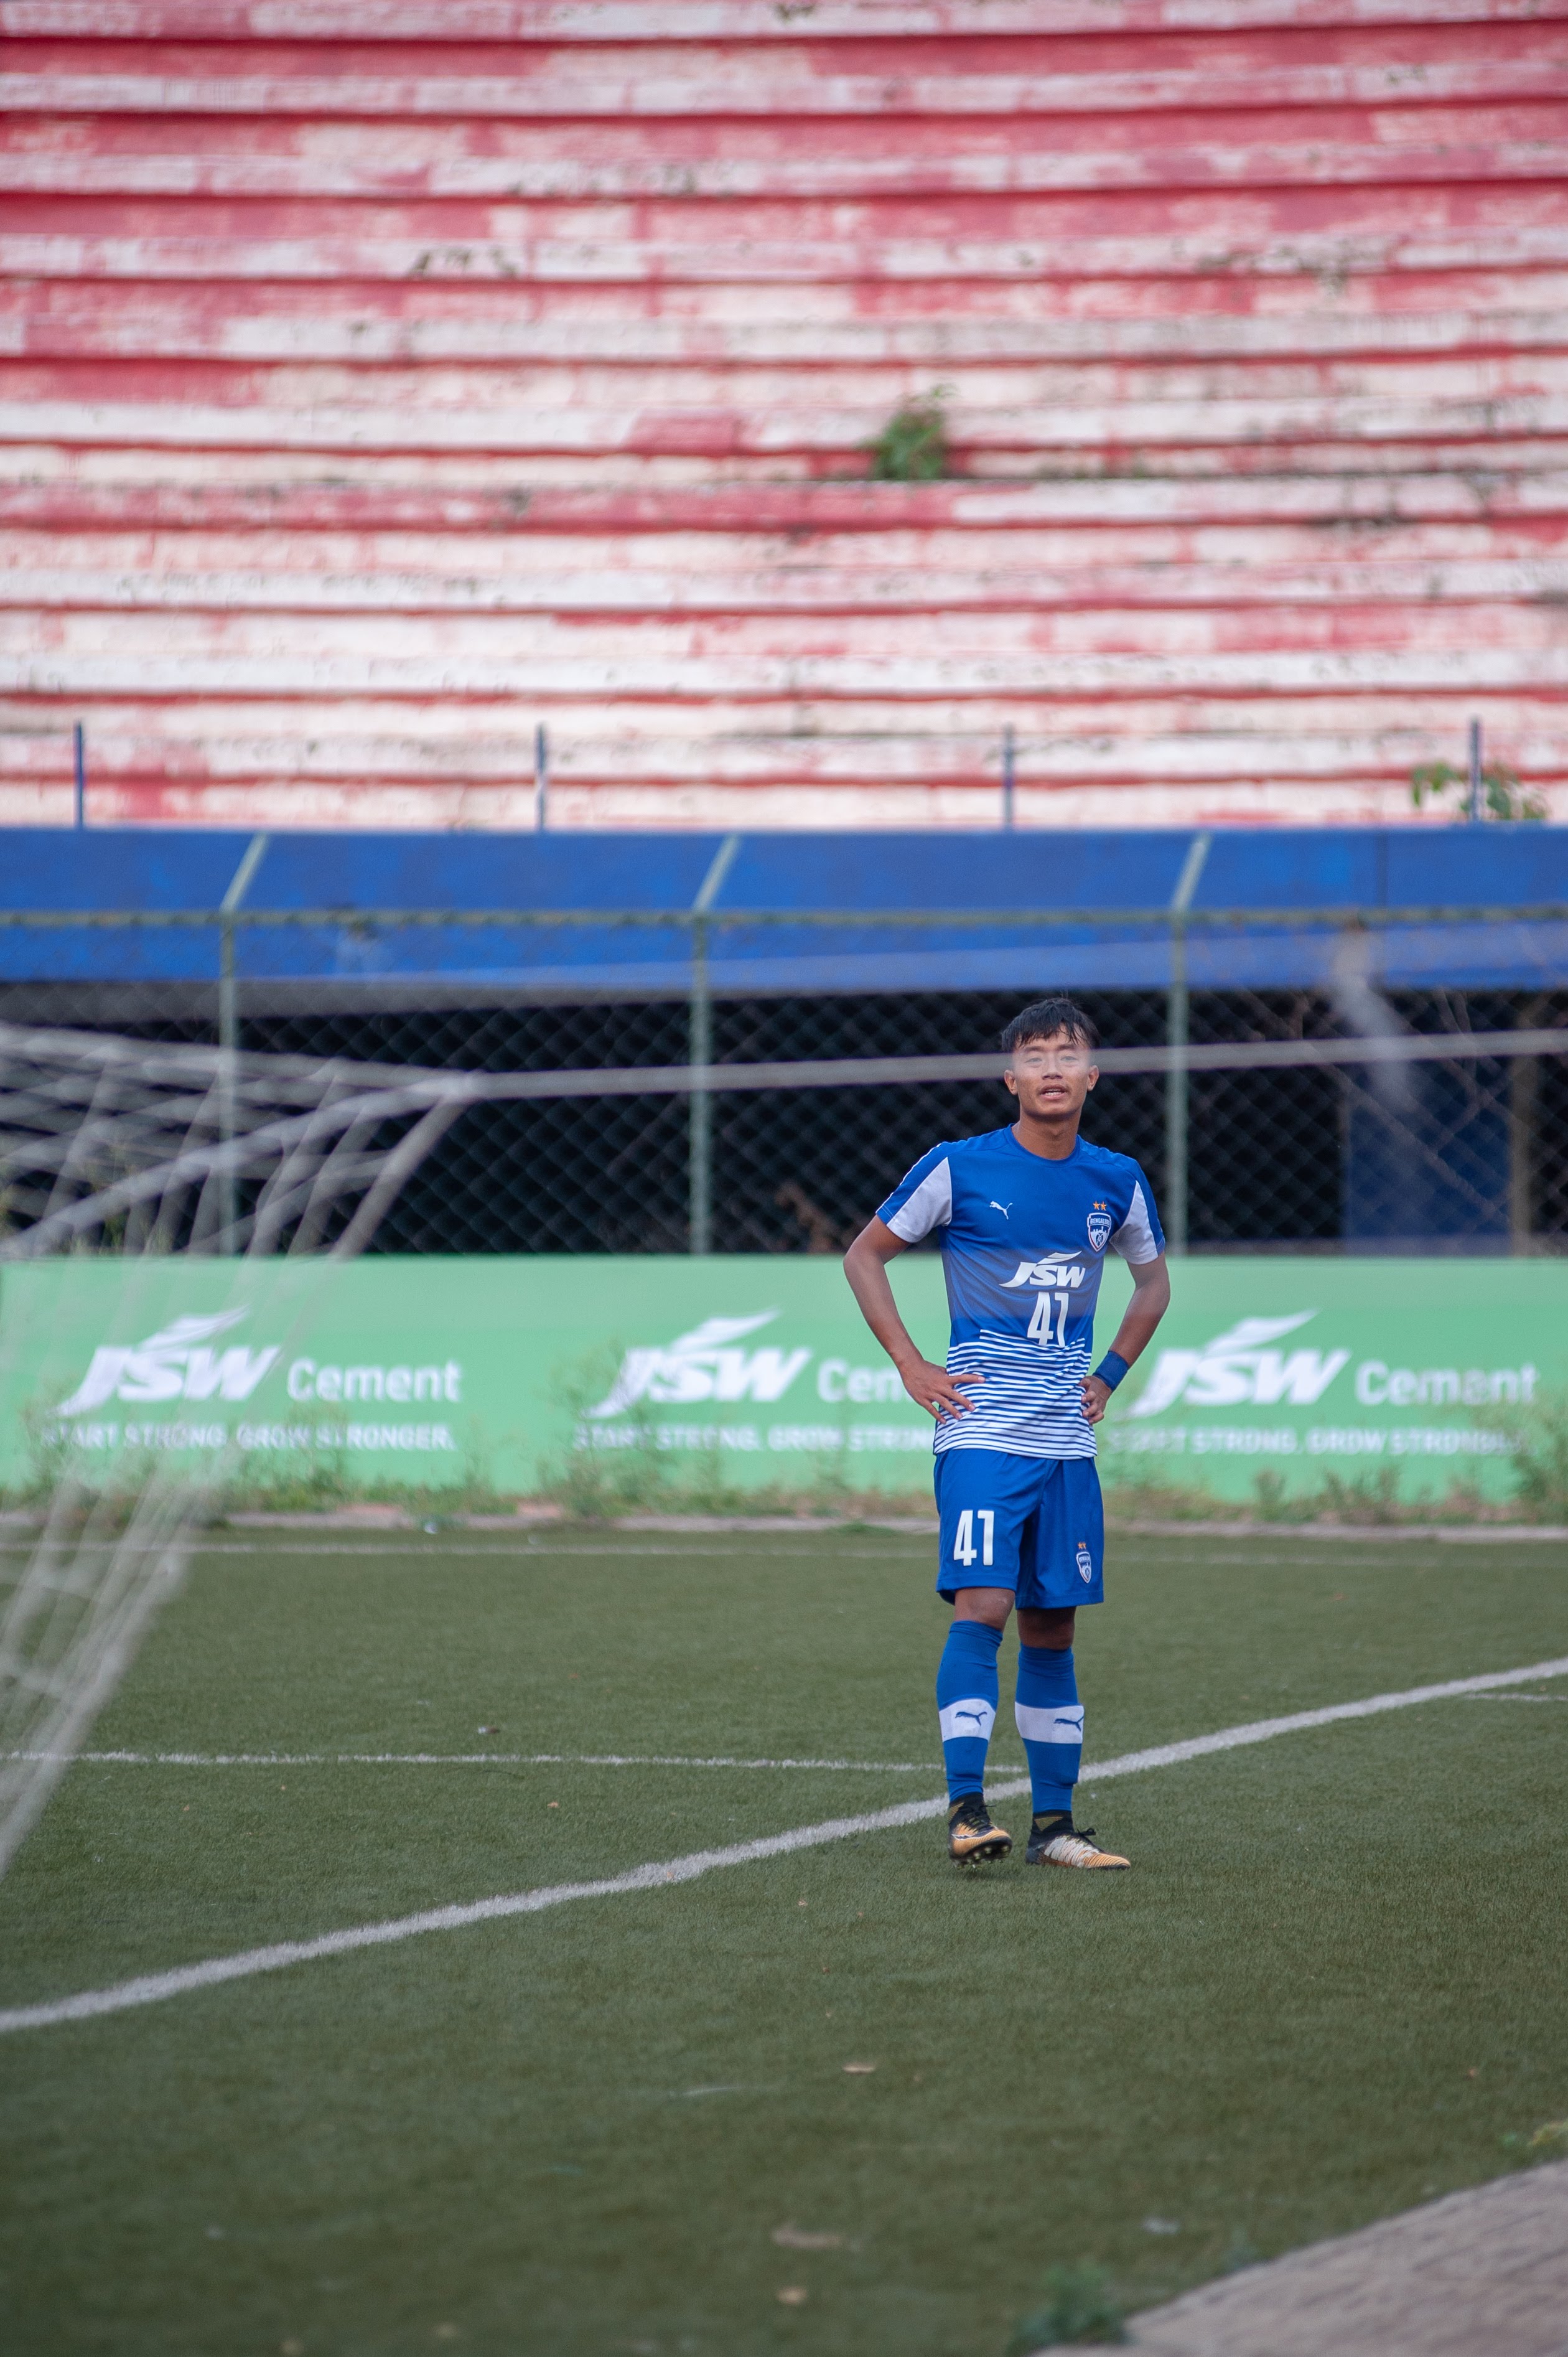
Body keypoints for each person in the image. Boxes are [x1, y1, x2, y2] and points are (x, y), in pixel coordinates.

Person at [842, 998, 1170, 1868]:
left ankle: (1054, 1829)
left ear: (1093, 1076)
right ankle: (965, 1812)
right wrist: (914, 1366)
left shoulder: (1117, 1179)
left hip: (1066, 1441)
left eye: (1068, 1055)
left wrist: (1110, 1374)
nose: (1052, 1069)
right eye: (1035, 1057)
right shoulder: (958, 1166)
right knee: (984, 1607)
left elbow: (1151, 1285)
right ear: (1010, 1078)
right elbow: (863, 1255)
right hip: (981, 1430)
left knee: (1053, 1628)